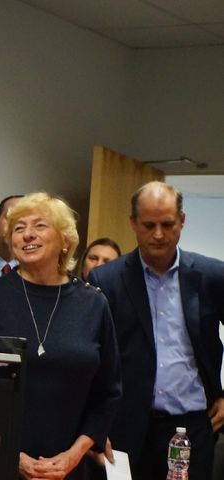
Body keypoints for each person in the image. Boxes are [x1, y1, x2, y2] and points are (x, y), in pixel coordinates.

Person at [0, 192, 121, 479]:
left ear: (64, 240)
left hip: (68, 469)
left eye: (39, 226)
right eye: (19, 229)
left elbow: (108, 394)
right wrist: (12, 456)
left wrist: (73, 456)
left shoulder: (94, 304)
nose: (27, 235)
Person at [89, 181, 224, 480]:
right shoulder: (106, 279)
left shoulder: (212, 275)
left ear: (183, 221)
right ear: (133, 223)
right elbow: (95, 357)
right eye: (149, 225)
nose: (158, 234)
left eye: (167, 224)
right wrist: (95, 426)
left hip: (192, 427)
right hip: (125, 427)